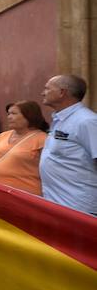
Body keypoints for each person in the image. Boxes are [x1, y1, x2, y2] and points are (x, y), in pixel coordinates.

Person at [40, 74, 97, 215]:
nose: (43, 93)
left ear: (62, 92)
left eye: (47, 89)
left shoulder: (87, 121)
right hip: (56, 204)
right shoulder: (59, 119)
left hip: (79, 208)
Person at [0, 101, 48, 195]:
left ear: (29, 116)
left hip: (24, 195)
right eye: (8, 114)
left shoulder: (42, 139)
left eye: (14, 113)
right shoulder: (3, 136)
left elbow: (49, 172)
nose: (9, 117)